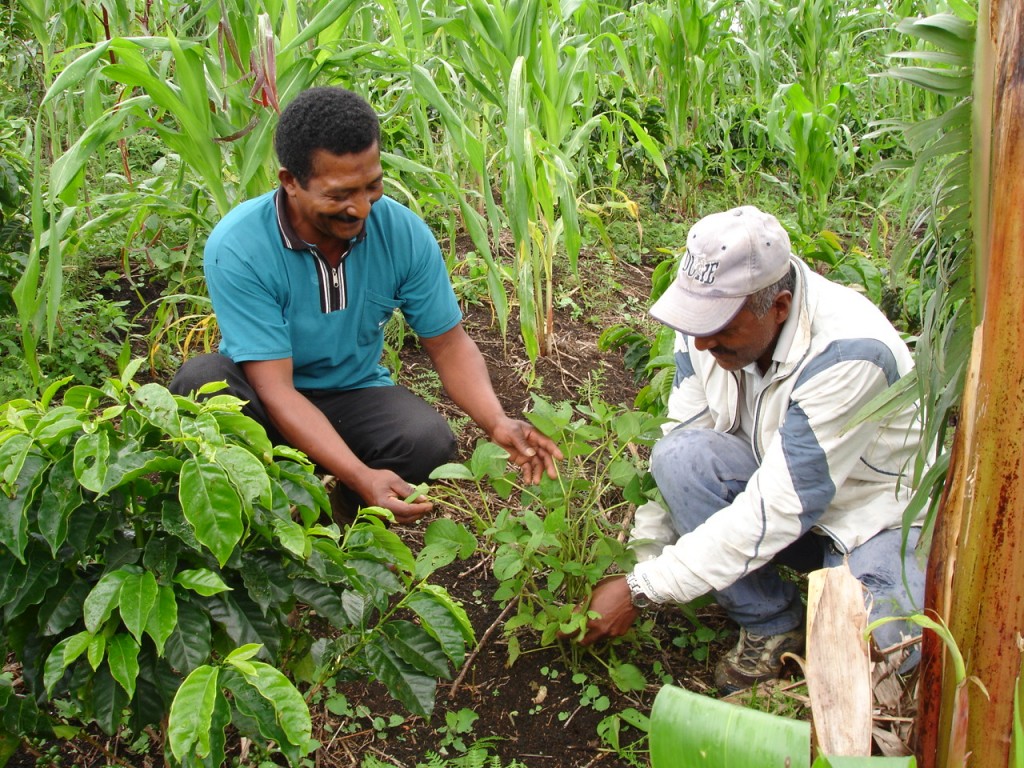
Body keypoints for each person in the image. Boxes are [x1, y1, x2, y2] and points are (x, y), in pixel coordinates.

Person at [574, 205, 926, 693]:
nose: (701, 343)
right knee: (679, 456)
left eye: (721, 326)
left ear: (778, 306)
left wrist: (642, 591)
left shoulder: (848, 353)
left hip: (868, 517)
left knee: (878, 646)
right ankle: (770, 620)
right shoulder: (704, 327)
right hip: (776, 489)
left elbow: (783, 505)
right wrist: (642, 562)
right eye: (697, 321)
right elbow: (682, 437)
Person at [170, 86, 561, 525]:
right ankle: (258, 517)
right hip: (265, 395)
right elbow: (276, 388)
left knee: (426, 441)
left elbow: (449, 345)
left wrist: (496, 421)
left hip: (352, 393)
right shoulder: (241, 245)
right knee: (202, 384)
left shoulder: (402, 234)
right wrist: (359, 472)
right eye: (339, 195)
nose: (360, 209)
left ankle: (349, 523)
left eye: (371, 186)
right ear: (290, 182)